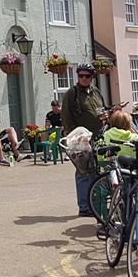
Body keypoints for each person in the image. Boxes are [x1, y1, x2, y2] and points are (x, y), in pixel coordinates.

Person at [61, 62, 105, 217]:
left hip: (97, 135)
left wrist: (105, 115)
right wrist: (73, 137)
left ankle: (94, 203)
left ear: (92, 77)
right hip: (80, 138)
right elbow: (66, 116)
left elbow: (102, 109)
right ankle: (84, 206)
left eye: (87, 76)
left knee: (96, 169)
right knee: (83, 171)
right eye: (81, 76)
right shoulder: (72, 93)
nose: (84, 78)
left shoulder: (96, 92)